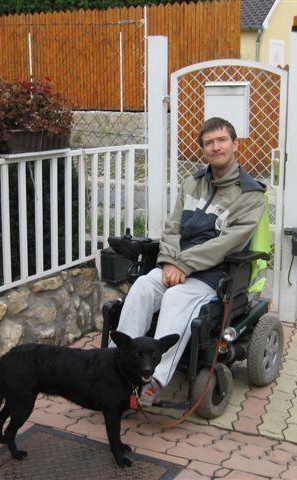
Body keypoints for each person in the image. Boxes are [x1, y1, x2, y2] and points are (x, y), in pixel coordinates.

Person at [115, 117, 266, 406]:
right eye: (209, 143)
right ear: (203, 150)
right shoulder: (192, 183)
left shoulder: (250, 195)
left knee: (175, 299)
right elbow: (172, 228)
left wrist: (184, 264)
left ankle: (154, 381)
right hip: (176, 265)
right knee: (143, 286)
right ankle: (116, 365)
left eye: (221, 140)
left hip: (214, 275)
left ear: (235, 144)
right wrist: (168, 260)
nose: (216, 147)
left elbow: (229, 242)